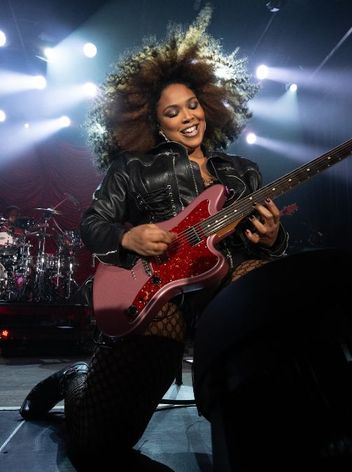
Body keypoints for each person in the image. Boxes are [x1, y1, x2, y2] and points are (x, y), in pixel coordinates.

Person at [18, 8, 287, 463]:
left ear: (209, 105)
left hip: (229, 279)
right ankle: (77, 378)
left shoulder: (242, 171)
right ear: (154, 121)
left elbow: (272, 238)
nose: (188, 117)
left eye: (193, 104)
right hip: (158, 293)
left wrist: (273, 237)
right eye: (172, 111)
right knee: (97, 445)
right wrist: (129, 237)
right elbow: (93, 224)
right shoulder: (131, 168)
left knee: (261, 298)